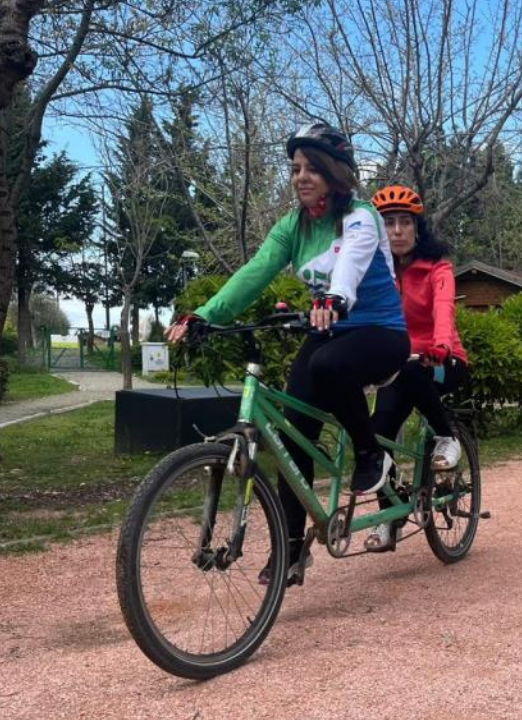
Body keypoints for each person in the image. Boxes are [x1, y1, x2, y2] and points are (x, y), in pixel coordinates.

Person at [166, 123, 409, 585]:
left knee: (328, 363)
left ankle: (370, 453)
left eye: (313, 168)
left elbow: (351, 266)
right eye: (296, 168)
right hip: (329, 331)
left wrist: (335, 300)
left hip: (379, 333)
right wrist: (204, 314)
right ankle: (292, 552)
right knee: (293, 438)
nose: (301, 176)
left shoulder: (360, 217)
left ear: (336, 173)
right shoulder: (291, 227)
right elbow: (255, 272)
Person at [366, 184, 470, 552]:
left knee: (412, 372)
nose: (396, 231)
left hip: (444, 361)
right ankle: (389, 518)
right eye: (388, 223)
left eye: (404, 223)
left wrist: (441, 345)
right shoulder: (377, 272)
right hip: (400, 366)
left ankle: (448, 436)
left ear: (417, 228)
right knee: (376, 438)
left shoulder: (437, 267)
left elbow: (444, 306)